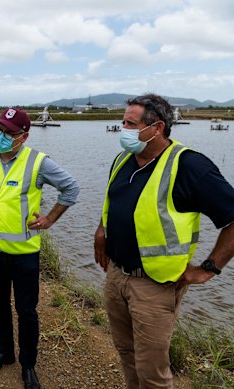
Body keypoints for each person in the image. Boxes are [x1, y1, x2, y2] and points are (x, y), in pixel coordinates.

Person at [93, 93, 234, 388]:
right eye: (123, 122)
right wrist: (101, 231)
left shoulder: (190, 166)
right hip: (117, 275)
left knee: (152, 371)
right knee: (126, 353)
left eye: (130, 124)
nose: (123, 130)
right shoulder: (123, 159)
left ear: (157, 127)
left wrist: (208, 268)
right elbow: (115, 203)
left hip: (155, 286)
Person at [0, 107, 79, 389]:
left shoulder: (38, 162)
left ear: (23, 136)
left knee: (26, 310)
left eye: (9, 132)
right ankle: (5, 352)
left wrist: (49, 219)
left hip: (24, 253)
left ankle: (28, 365)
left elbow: (70, 188)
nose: (1, 135)